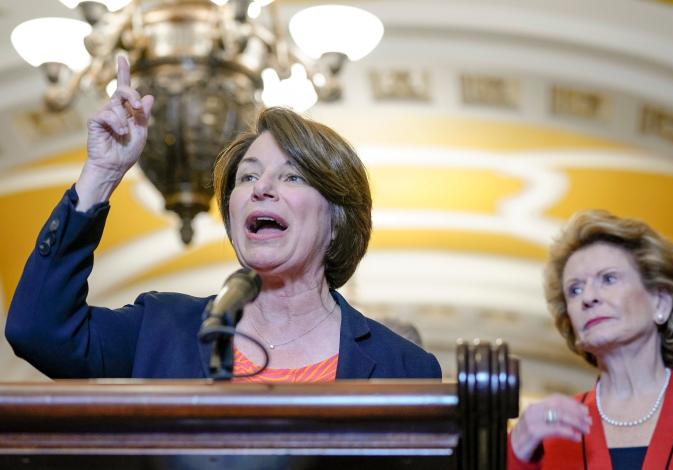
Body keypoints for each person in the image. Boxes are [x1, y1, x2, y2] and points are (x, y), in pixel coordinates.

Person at [5, 57, 441, 382]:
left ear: (337, 219)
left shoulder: (404, 367)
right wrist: (101, 174)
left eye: (291, 176)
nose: (260, 188)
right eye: (248, 175)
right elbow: (36, 330)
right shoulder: (161, 328)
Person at [508, 210, 673, 469]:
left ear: (660, 301)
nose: (588, 297)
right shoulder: (548, 432)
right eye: (575, 290)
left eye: (609, 278)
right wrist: (517, 450)